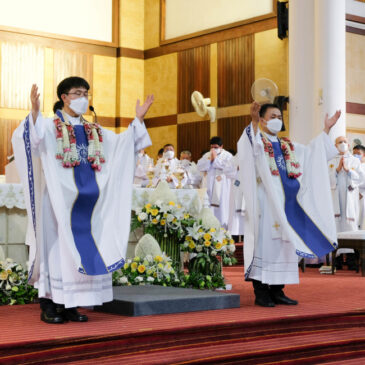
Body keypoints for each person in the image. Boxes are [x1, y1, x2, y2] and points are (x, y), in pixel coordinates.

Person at [12, 77, 154, 323]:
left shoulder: (95, 131)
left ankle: (71, 305)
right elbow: (29, 141)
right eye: (77, 93)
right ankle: (49, 304)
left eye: (86, 93)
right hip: (57, 203)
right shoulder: (48, 126)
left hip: (88, 206)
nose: (83, 98)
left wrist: (138, 121)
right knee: (56, 252)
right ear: (64, 97)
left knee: (76, 253)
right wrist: (34, 113)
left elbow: (122, 145)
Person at [237, 102, 340, 307]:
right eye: (272, 115)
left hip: (289, 207)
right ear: (263, 118)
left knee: (285, 248)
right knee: (264, 246)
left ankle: (278, 290)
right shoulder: (258, 141)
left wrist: (326, 129)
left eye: (279, 116)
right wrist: (254, 122)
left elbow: (312, 154)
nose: (277, 119)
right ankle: (261, 292)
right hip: (265, 205)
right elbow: (247, 149)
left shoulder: (287, 146)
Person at [197, 136, 235, 229]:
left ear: (221, 146)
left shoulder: (228, 155)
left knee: (222, 209)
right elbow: (199, 166)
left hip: (223, 188)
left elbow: (229, 168)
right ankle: (209, 229)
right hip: (209, 187)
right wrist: (210, 160)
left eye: (216, 147)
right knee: (208, 207)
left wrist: (215, 160)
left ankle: (223, 231)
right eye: (212, 147)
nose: (213, 149)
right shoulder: (207, 155)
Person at [353, 145, 365, 229]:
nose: (355, 156)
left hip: (363, 196)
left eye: (358, 153)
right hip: (353, 195)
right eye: (354, 154)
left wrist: (361, 193)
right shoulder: (352, 166)